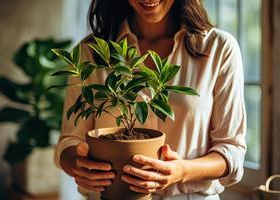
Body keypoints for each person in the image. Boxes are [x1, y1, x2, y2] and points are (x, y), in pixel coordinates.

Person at [54, 0, 247, 199]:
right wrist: (79, 166)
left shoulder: (219, 48)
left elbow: (231, 149)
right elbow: (70, 141)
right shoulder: (91, 53)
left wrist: (182, 171)